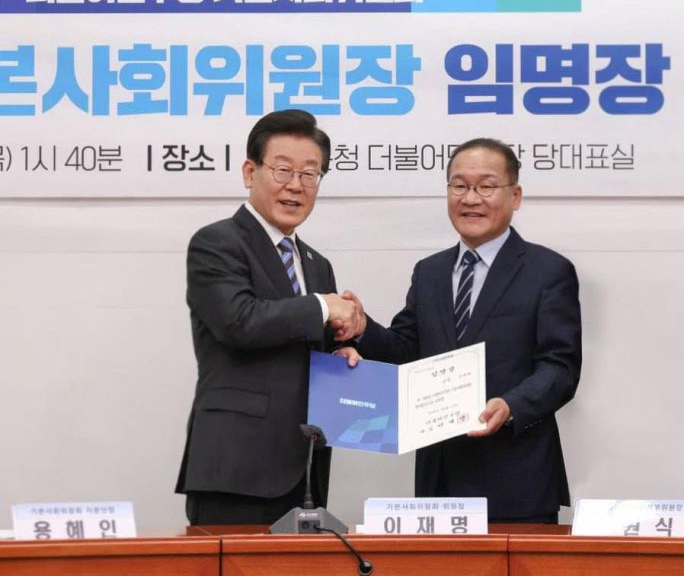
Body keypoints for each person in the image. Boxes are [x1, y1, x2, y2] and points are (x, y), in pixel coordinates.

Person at [338, 138, 582, 523]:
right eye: (459, 185)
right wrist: (363, 329)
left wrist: (511, 406)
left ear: (515, 195)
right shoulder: (429, 272)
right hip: (440, 479)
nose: (470, 198)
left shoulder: (548, 271)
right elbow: (407, 351)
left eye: (486, 186)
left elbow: (560, 367)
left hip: (518, 479)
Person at [175, 109, 364, 525]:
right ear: (250, 172)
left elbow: (310, 341)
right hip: (236, 469)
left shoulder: (317, 264)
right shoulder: (217, 242)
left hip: (305, 470)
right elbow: (238, 322)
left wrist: (345, 350)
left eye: (310, 174)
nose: (295, 185)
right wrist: (322, 306)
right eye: (283, 170)